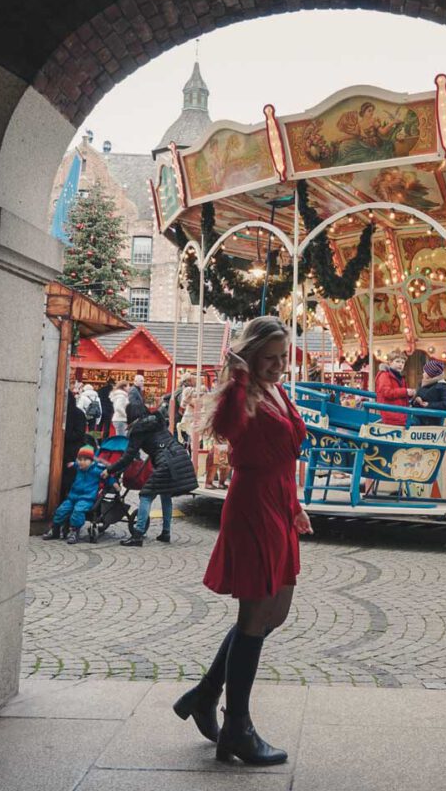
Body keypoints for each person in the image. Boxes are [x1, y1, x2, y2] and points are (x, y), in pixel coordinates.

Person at [173, 317, 312, 766]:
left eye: (282, 358)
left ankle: (206, 692)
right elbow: (229, 428)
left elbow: (286, 452)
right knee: (254, 615)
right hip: (253, 506)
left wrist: (295, 506)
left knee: (276, 611)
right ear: (251, 356)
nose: (278, 366)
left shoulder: (277, 390)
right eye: (269, 358)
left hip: (278, 503)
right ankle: (238, 727)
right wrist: (236, 378)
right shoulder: (243, 394)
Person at [102, 401, 198, 546]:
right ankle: (166, 533)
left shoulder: (138, 429)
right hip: (180, 456)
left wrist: (109, 470)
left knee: (145, 495)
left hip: (167, 462)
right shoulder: (157, 422)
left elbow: (128, 457)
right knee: (165, 495)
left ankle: (138, 535)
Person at [43, 446, 115, 544]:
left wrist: (114, 483)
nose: (81, 462)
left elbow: (108, 477)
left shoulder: (97, 470)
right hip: (73, 496)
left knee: (78, 511)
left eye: (85, 460)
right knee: (61, 510)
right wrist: (73, 463)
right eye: (79, 459)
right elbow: (76, 464)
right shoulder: (79, 467)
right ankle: (55, 529)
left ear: (91, 461)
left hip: (86, 498)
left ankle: (74, 531)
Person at [61, 390, 90, 498]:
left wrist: (63, 436)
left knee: (68, 478)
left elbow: (79, 434)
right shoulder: (64, 413)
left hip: (72, 451)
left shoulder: (77, 414)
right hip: (66, 450)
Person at [375, 349, 413, 425]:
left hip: (400, 412)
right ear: (390, 362)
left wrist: (410, 395)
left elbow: (401, 396)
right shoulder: (385, 375)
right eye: (397, 361)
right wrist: (405, 391)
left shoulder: (400, 378)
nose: (400, 364)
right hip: (391, 413)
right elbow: (386, 392)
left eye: (403, 362)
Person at [411, 359, 446, 424]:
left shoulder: (442, 385)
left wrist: (428, 404)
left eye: (425, 371)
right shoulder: (423, 384)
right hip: (418, 417)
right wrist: (416, 400)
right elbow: (414, 401)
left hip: (431, 421)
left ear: (431, 373)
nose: (423, 373)